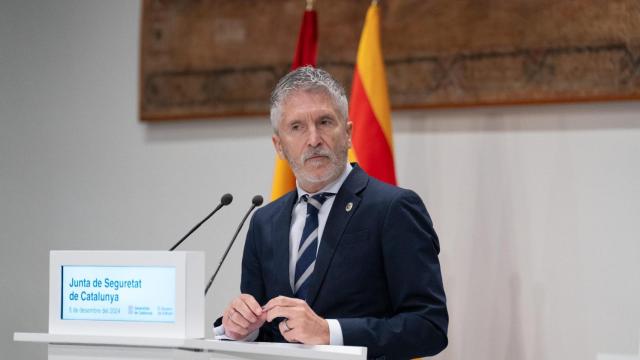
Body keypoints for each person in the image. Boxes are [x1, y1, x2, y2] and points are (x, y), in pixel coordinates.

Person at [215, 66, 448, 359]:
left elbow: (429, 327)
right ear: (279, 146)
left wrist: (329, 332)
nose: (313, 139)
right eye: (296, 127)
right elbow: (266, 326)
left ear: (348, 133)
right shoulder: (264, 221)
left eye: (325, 122)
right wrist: (243, 328)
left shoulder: (393, 209)